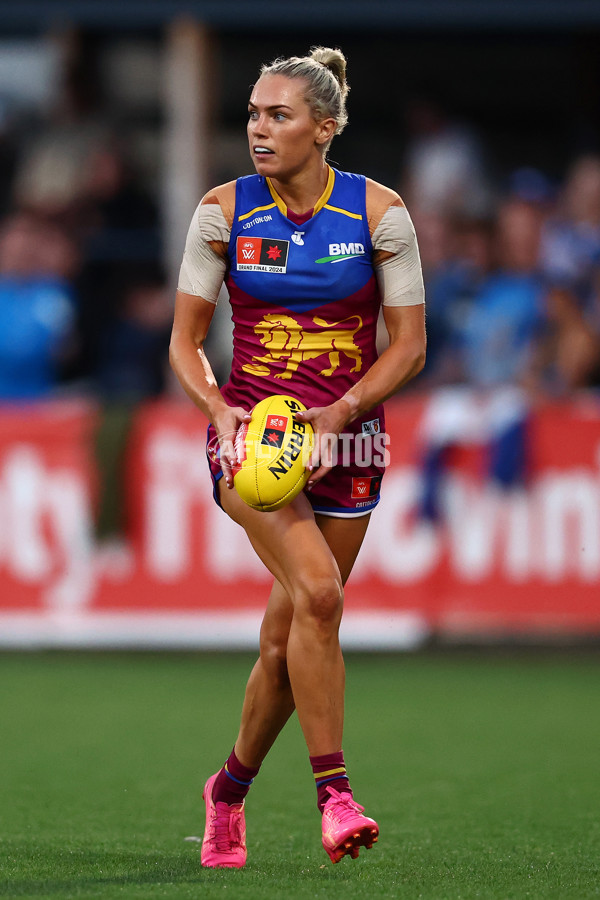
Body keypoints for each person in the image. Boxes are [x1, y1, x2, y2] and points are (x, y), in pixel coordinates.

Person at [169, 47, 426, 868]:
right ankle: (336, 797)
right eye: (252, 114)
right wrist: (219, 409)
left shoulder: (381, 216)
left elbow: (410, 348)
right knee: (319, 596)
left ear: (325, 127)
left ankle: (229, 791)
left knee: (287, 641)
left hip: (346, 439)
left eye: (278, 116)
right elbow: (182, 344)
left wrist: (341, 412)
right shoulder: (221, 212)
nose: (259, 129)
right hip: (253, 442)